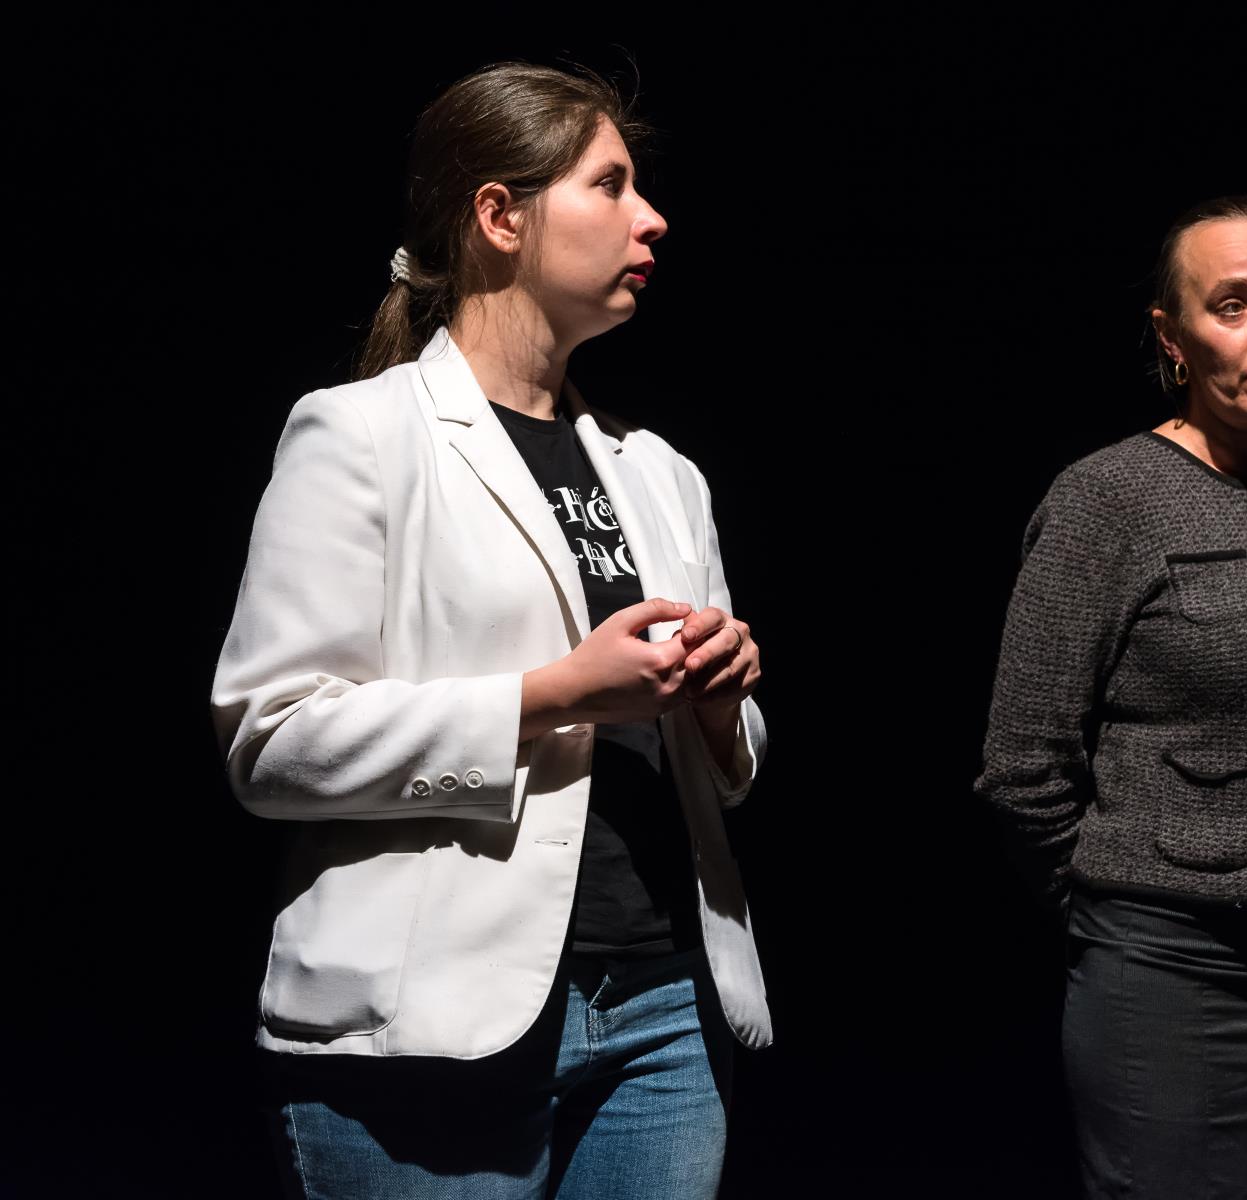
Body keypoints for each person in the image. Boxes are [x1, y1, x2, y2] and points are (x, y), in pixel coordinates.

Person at [211, 62, 769, 1199]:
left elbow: (731, 768)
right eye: (609, 184)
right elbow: (271, 741)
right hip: (435, 1022)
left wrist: (721, 705)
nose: (651, 217)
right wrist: (555, 694)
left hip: (665, 1010)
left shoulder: (662, 473)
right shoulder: (360, 437)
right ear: (499, 216)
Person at [975, 196, 1247, 1198]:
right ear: (1172, 338)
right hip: (1174, 992)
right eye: (1231, 305)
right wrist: (1125, 916)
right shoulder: (1108, 497)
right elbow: (1023, 767)